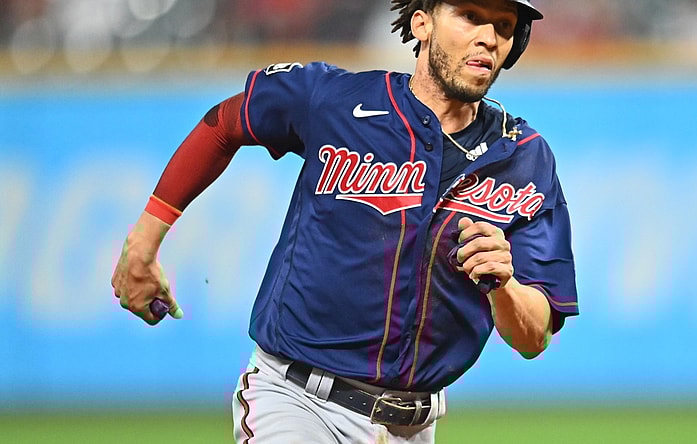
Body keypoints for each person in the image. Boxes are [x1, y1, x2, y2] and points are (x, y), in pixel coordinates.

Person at [111, 0, 579, 442]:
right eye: (469, 15)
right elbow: (225, 123)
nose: (487, 38)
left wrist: (505, 285)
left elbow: (533, 336)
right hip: (297, 402)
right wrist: (143, 244)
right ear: (422, 24)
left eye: (502, 25)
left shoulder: (523, 157)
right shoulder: (335, 100)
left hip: (415, 424)